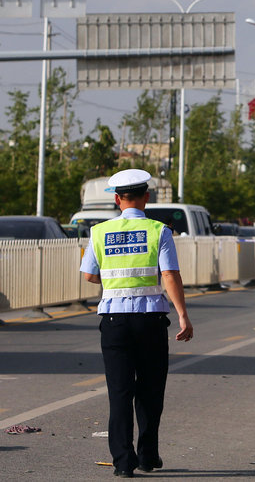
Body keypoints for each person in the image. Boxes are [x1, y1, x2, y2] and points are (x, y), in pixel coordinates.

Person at [79, 169, 193, 478]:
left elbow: (89, 275)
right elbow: (169, 274)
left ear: (117, 200)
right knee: (150, 390)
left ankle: (122, 462)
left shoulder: (99, 232)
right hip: (151, 320)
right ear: (147, 197)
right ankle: (147, 454)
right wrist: (182, 313)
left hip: (114, 321)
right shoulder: (159, 231)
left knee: (120, 392)